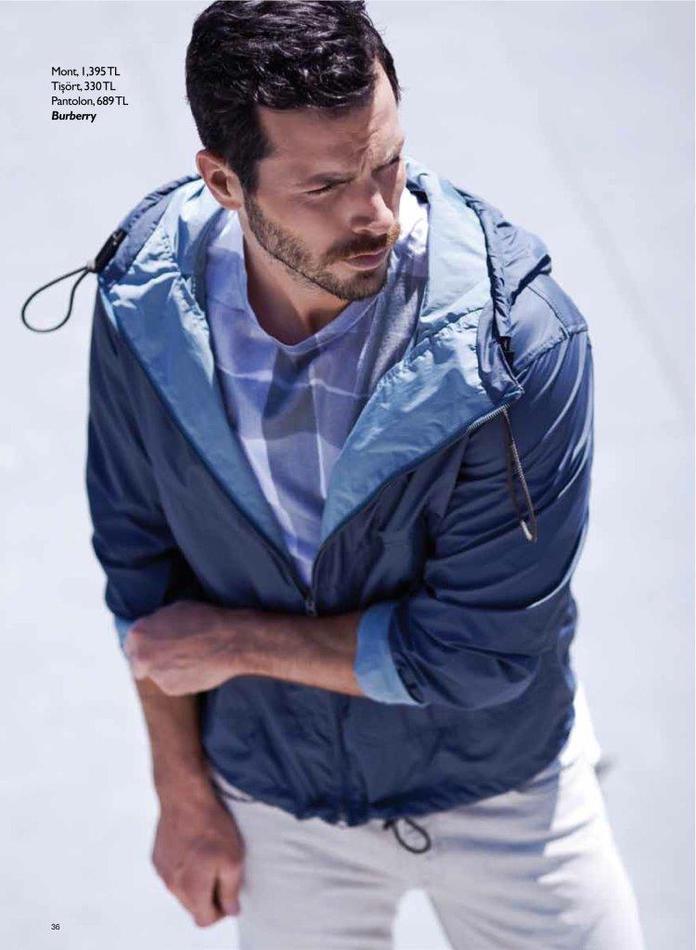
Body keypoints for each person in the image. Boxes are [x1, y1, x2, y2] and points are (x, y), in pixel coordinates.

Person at [85, 2, 645, 947]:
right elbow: (140, 570)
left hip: (505, 790)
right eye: (327, 185)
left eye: (387, 161)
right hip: (278, 797)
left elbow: (478, 654)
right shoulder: (145, 313)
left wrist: (234, 642)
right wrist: (181, 790)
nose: (377, 212)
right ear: (223, 182)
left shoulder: (515, 349)